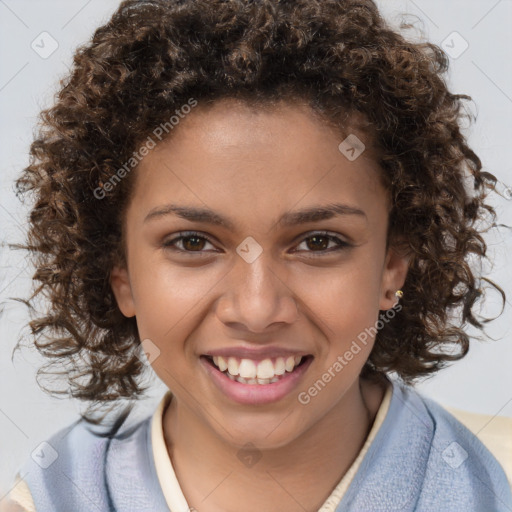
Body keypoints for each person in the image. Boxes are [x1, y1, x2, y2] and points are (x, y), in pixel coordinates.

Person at [4, 0, 511, 510]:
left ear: (392, 265)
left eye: (318, 242)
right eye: (192, 242)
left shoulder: (493, 481)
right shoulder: (50, 496)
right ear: (120, 274)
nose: (257, 310)